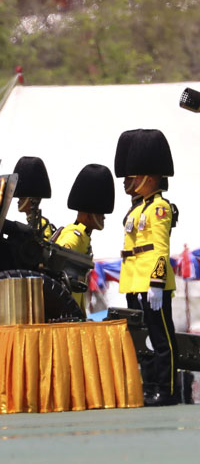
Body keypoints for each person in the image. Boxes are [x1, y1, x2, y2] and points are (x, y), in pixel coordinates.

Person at [116, 129, 179, 406]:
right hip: (133, 282)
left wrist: (156, 282)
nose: (128, 182)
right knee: (145, 342)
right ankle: (151, 386)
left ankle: (167, 390)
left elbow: (160, 249)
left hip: (152, 284)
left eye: (133, 176)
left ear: (149, 178)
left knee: (161, 339)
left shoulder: (159, 208)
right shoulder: (137, 208)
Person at [50, 164, 115, 312]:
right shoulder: (74, 237)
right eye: (100, 213)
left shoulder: (83, 236)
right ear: (88, 215)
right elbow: (57, 270)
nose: (103, 217)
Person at [13, 156, 56, 240]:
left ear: (33, 200)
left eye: (21, 198)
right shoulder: (33, 221)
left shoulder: (41, 224)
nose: (18, 202)